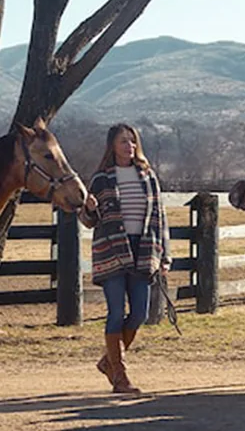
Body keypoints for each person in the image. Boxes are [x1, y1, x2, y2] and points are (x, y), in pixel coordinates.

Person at [80, 123, 172, 394]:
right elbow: (88, 221)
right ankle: (120, 377)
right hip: (111, 251)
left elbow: (160, 218)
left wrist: (165, 255)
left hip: (144, 250)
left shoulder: (148, 176)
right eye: (123, 141)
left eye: (132, 141)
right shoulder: (100, 180)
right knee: (116, 312)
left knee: (140, 313)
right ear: (112, 146)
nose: (129, 146)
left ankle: (109, 362)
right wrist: (89, 209)